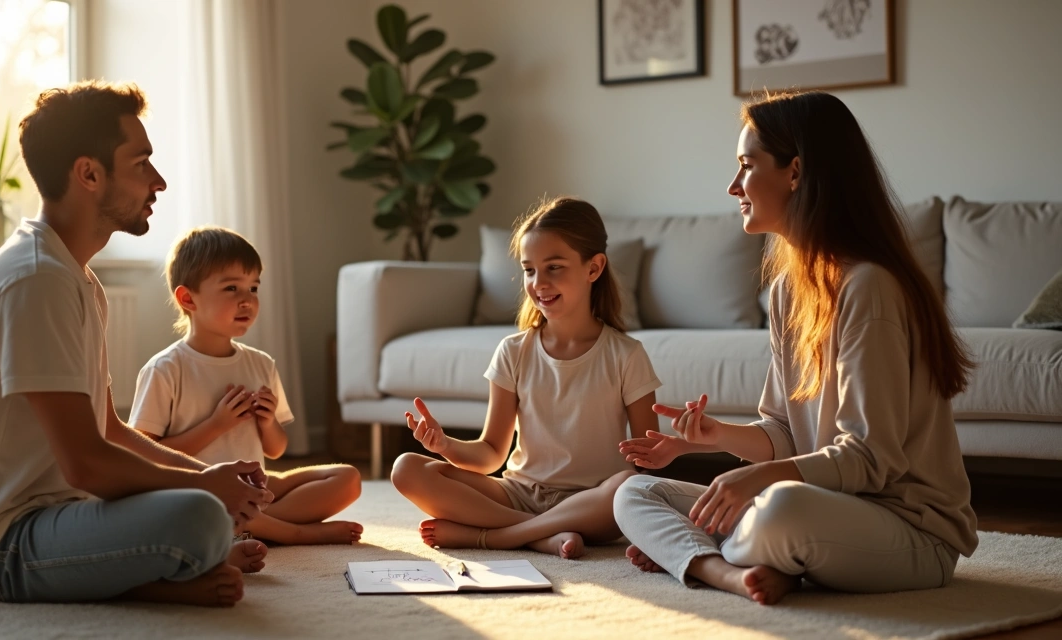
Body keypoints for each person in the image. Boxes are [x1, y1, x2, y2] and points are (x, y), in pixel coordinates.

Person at [614, 91, 978, 605]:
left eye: (746, 166)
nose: (733, 185)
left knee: (781, 508)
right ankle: (733, 569)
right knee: (634, 493)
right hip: (828, 508)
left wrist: (756, 479)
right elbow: (784, 431)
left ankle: (697, 554)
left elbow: (871, 459)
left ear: (796, 172)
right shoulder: (789, 289)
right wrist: (713, 436)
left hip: (910, 531)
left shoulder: (869, 287)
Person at [0, 81, 273, 608]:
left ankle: (160, 568)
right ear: (89, 173)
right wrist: (204, 491)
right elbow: (87, 464)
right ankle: (154, 578)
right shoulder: (36, 278)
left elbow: (107, 428)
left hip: (53, 512)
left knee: (207, 506)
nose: (160, 182)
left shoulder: (76, 277)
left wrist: (208, 473)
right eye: (142, 163)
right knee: (199, 517)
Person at [390, 197, 662, 559]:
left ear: (594, 268)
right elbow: (490, 454)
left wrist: (676, 443)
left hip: (592, 503)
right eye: (529, 270)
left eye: (554, 267)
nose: (539, 283)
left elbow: (646, 462)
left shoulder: (626, 355)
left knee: (630, 485)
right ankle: (537, 537)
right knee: (406, 468)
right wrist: (445, 446)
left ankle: (495, 536)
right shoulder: (512, 351)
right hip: (519, 494)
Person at [128, 226, 363, 546]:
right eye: (231, 288)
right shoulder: (167, 369)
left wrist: (266, 422)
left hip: (255, 487)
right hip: (200, 491)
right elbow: (146, 458)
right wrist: (215, 425)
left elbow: (276, 449)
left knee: (347, 478)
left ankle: (250, 526)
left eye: (253, 288)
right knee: (183, 508)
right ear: (188, 298)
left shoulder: (260, 363)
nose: (247, 300)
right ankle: (292, 533)